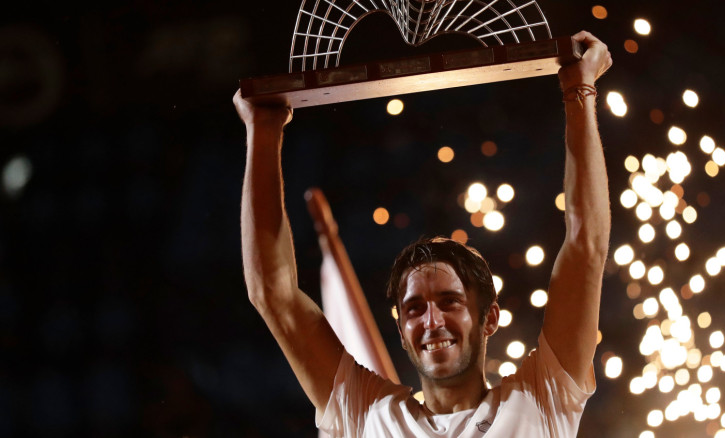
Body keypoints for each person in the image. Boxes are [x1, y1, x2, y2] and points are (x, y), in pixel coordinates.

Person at [233, 31, 612, 437]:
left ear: (490, 318)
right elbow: (272, 293)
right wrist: (263, 131)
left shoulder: (540, 399)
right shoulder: (369, 416)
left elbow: (585, 247)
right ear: (401, 332)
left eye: (450, 302)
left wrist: (580, 90)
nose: (432, 321)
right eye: (414, 309)